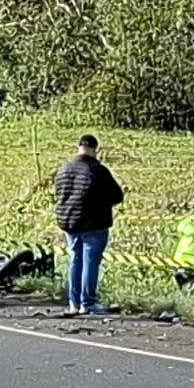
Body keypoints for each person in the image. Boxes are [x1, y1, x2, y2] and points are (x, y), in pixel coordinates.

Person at [54, 134, 124, 316]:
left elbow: (59, 194)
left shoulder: (64, 169)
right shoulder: (98, 170)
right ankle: (88, 302)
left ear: (79, 147)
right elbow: (117, 196)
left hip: (69, 223)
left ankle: (73, 303)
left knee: (75, 261)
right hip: (94, 223)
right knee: (90, 263)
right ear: (94, 149)